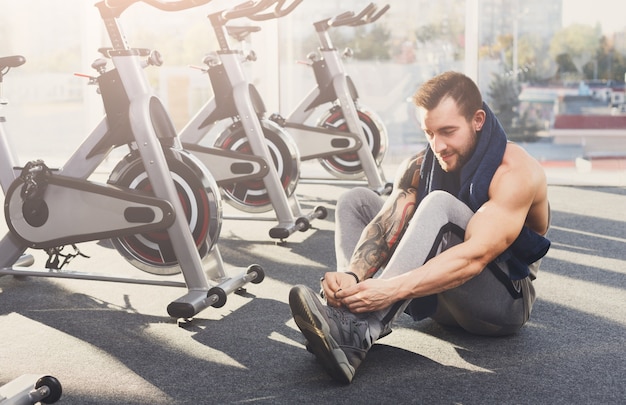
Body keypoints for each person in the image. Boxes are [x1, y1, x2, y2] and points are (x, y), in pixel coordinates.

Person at [288, 71, 551, 384]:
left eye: (448, 131)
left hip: (502, 305)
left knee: (438, 204)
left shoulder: (514, 172)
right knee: (356, 201)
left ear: (477, 120)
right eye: (429, 133)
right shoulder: (422, 164)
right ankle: (347, 311)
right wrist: (353, 274)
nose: (437, 145)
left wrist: (390, 289)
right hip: (440, 301)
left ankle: (359, 330)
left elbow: (475, 257)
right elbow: (389, 223)